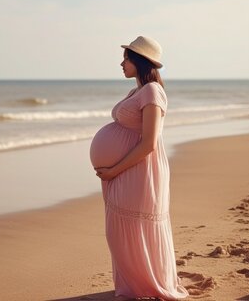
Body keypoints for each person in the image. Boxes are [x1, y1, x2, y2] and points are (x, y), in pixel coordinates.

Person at [89, 36, 189, 300]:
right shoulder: (137, 92)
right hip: (125, 171)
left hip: (140, 171)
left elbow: (148, 144)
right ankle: (134, 285)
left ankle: (145, 286)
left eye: (126, 59)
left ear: (140, 62)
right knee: (120, 230)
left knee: (130, 229)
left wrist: (114, 170)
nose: (121, 63)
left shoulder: (153, 92)